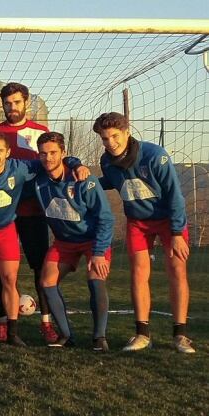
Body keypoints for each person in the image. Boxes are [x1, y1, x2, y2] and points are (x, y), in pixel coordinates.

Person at [0, 131, 86, 346]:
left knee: (10, 280)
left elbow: (52, 161)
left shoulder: (21, 168)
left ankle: (13, 332)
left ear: (8, 152)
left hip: (5, 231)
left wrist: (76, 163)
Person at [94, 112, 194, 353]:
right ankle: (142, 334)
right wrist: (82, 176)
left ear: (127, 133)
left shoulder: (154, 156)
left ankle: (180, 335)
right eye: (105, 139)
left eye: (115, 136)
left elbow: (174, 195)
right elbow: (108, 181)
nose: (111, 143)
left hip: (169, 221)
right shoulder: (106, 161)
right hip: (138, 222)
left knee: (177, 270)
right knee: (138, 273)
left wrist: (178, 232)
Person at [0, 82, 58, 343]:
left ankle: (46, 322)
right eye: (7, 103)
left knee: (40, 267)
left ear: (26, 103)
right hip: (1, 214)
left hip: (33, 211)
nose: (12, 107)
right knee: (0, 271)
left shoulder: (40, 131)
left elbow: (53, 158)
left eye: (17, 102)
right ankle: (3, 324)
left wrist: (74, 163)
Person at [34, 132, 114, 351]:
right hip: (64, 242)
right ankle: (67, 336)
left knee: (96, 277)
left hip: (92, 240)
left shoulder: (83, 179)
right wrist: (74, 161)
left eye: (53, 153)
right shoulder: (38, 177)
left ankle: (99, 337)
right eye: (43, 153)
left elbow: (106, 218)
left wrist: (98, 253)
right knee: (47, 281)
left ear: (63, 153)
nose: (48, 158)